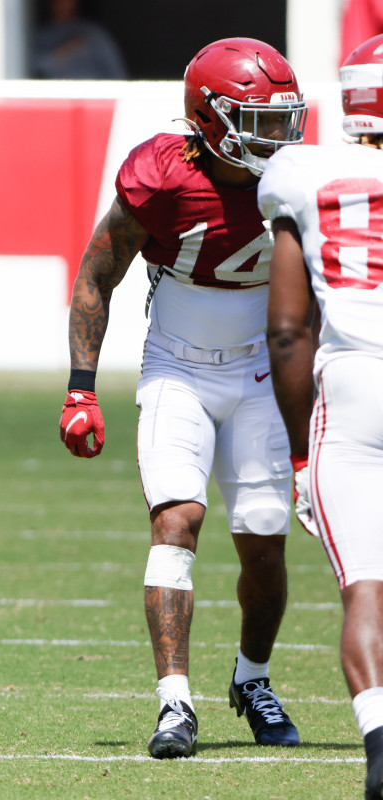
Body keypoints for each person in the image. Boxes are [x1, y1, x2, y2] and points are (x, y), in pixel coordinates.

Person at [58, 37, 307, 759]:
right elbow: (96, 274)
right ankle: (175, 703)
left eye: (283, 119)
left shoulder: (297, 176)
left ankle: (253, 679)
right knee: (177, 520)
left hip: (262, 369)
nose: (278, 137)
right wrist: (81, 388)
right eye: (257, 120)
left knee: (263, 534)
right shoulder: (161, 172)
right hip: (178, 366)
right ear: (209, 117)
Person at [261, 33, 383, 798]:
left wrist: (301, 456)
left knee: (367, 588)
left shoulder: (304, 173)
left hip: (355, 381)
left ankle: (380, 745)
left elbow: (285, 330)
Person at [30, 0, 127, 80]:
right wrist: (63, 52)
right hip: (56, 98)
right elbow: (29, 67)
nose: (62, 3)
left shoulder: (93, 34)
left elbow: (117, 73)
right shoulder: (41, 36)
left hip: (93, 97)